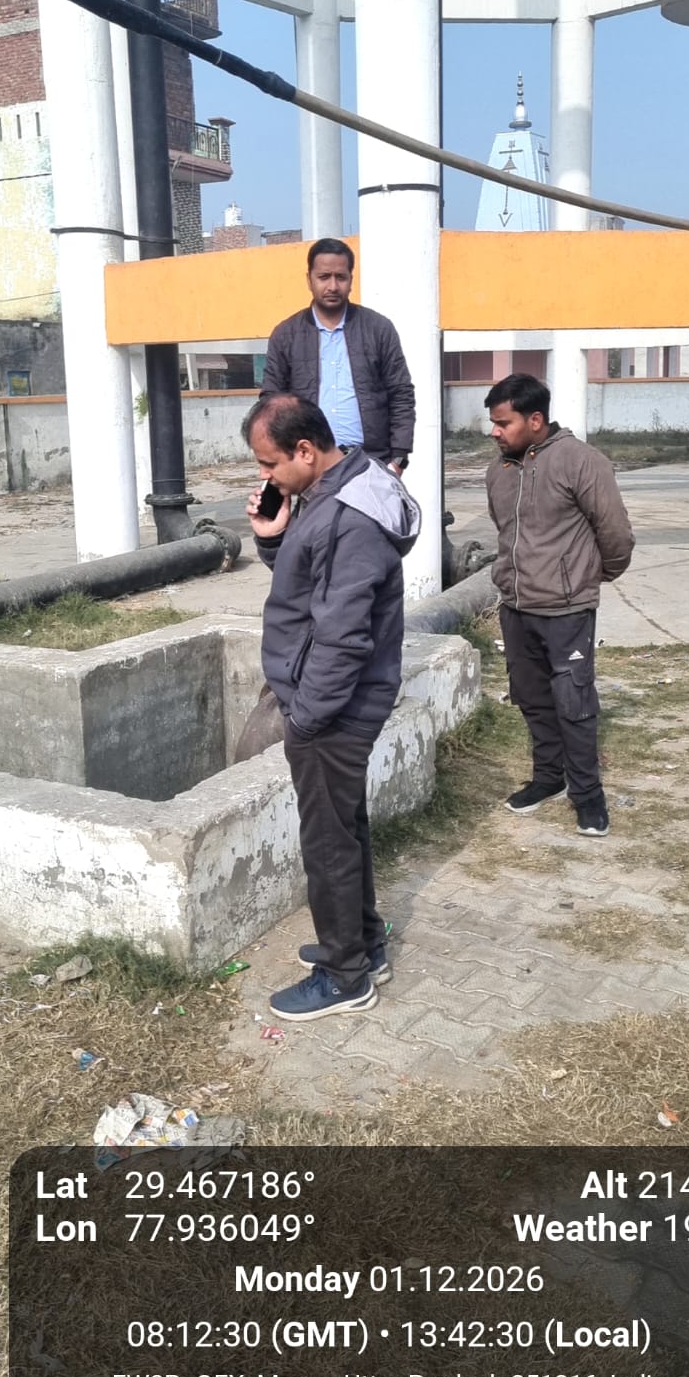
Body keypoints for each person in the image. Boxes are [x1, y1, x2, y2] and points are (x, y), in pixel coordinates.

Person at [243, 392, 421, 1021]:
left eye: (269, 464)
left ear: (305, 450)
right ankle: (362, 944)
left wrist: (306, 717)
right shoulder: (334, 490)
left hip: (334, 707)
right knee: (344, 828)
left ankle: (346, 978)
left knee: (326, 842)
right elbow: (308, 582)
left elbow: (343, 636)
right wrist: (274, 538)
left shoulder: (350, 517)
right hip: (333, 702)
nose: (266, 476)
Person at [485, 374, 635, 838]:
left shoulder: (581, 461)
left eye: (503, 423)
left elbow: (615, 533)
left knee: (574, 704)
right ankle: (549, 778)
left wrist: (587, 578)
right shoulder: (499, 471)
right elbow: (505, 534)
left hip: (566, 611)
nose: (495, 432)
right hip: (516, 607)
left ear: (535, 420)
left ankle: (588, 796)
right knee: (531, 698)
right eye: (493, 423)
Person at [261, 237, 415, 476]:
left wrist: (398, 459)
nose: (332, 286)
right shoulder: (286, 335)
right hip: (309, 466)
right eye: (324, 277)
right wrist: (281, 462)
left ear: (351, 280)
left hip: (370, 464)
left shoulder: (378, 329)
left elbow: (401, 394)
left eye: (340, 277)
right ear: (309, 280)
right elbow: (272, 403)